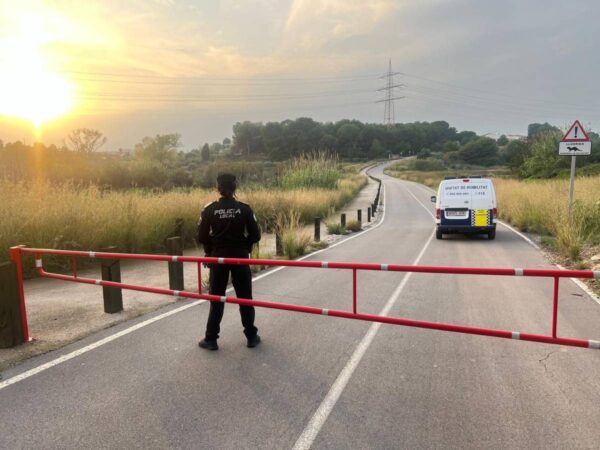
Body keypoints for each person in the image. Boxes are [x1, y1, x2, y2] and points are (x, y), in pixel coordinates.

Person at [197, 173, 261, 351]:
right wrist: (245, 247)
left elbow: (201, 236)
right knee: (245, 298)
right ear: (235, 187)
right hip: (240, 257)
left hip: (218, 258)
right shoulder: (244, 208)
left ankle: (211, 339)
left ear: (217, 187)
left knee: (216, 298)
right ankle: (251, 336)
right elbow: (256, 235)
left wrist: (209, 251)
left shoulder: (209, 209)